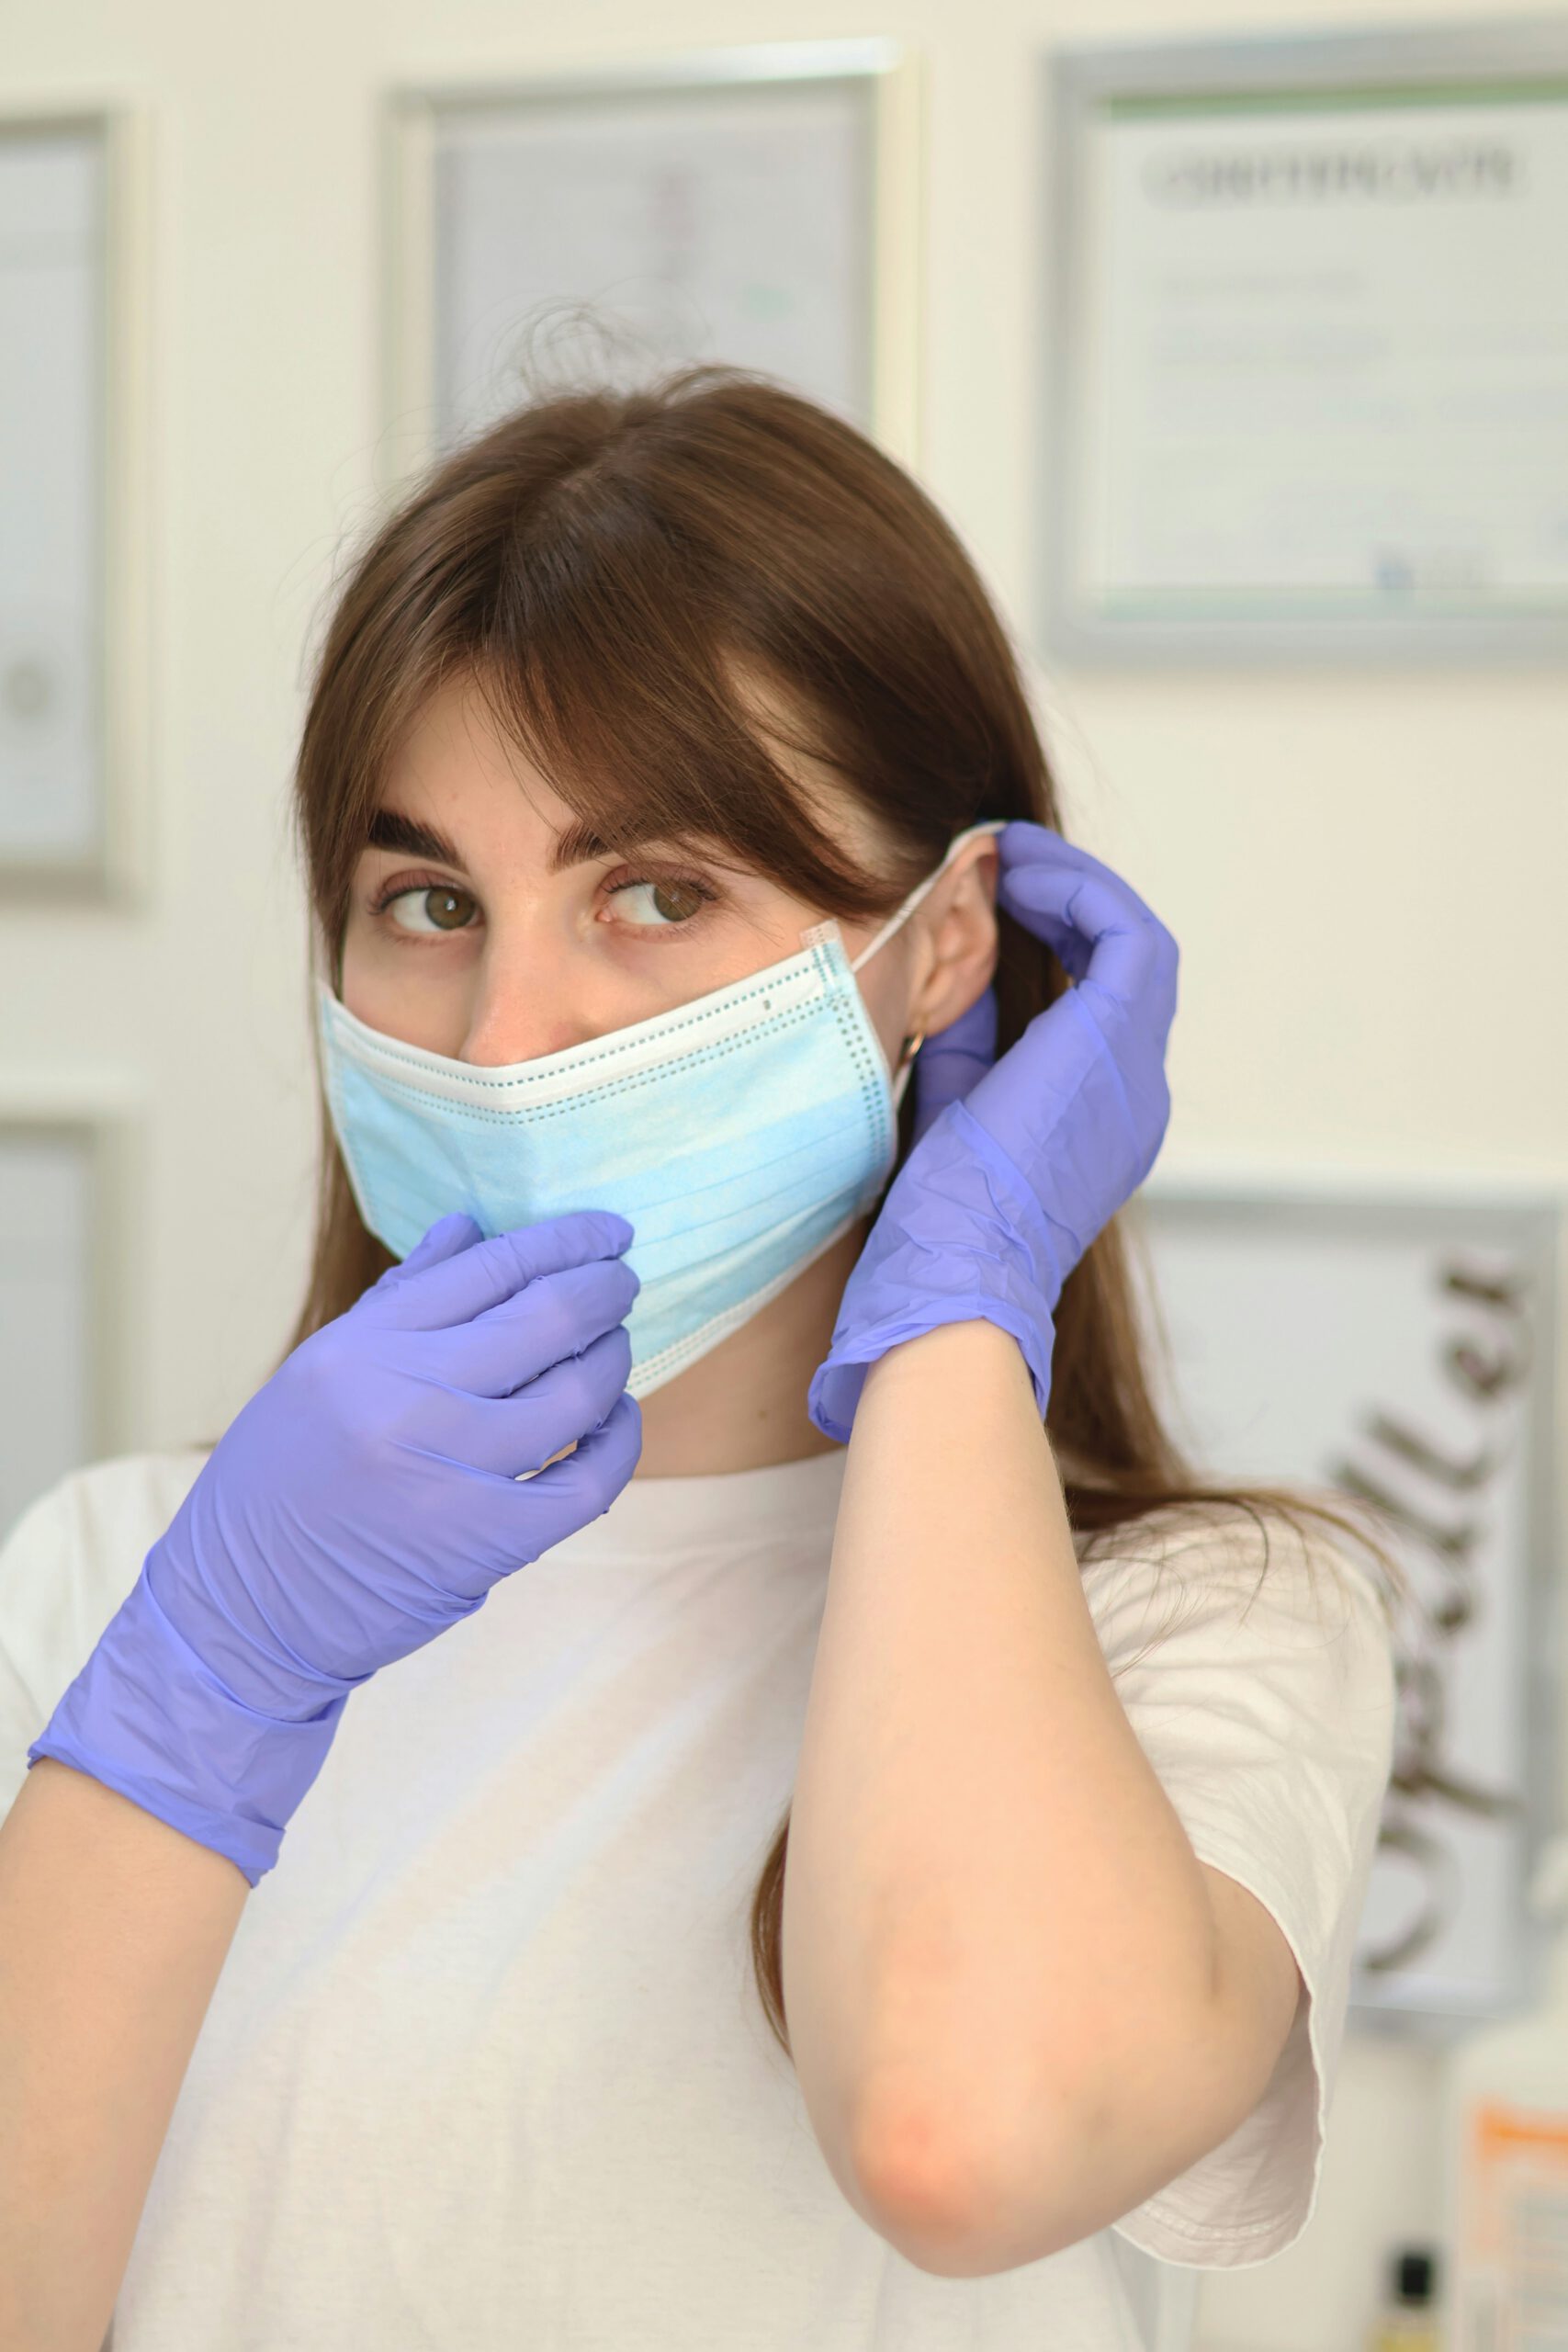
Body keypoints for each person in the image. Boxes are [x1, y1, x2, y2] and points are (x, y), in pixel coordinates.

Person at [0, 364, 1401, 2352]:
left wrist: (955, 1308)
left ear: (937, 944)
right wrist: (203, 1682)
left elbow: (962, 2128)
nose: (502, 1034)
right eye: (424, 900)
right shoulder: (112, 1580)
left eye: (652, 893)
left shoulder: (1208, 1625)